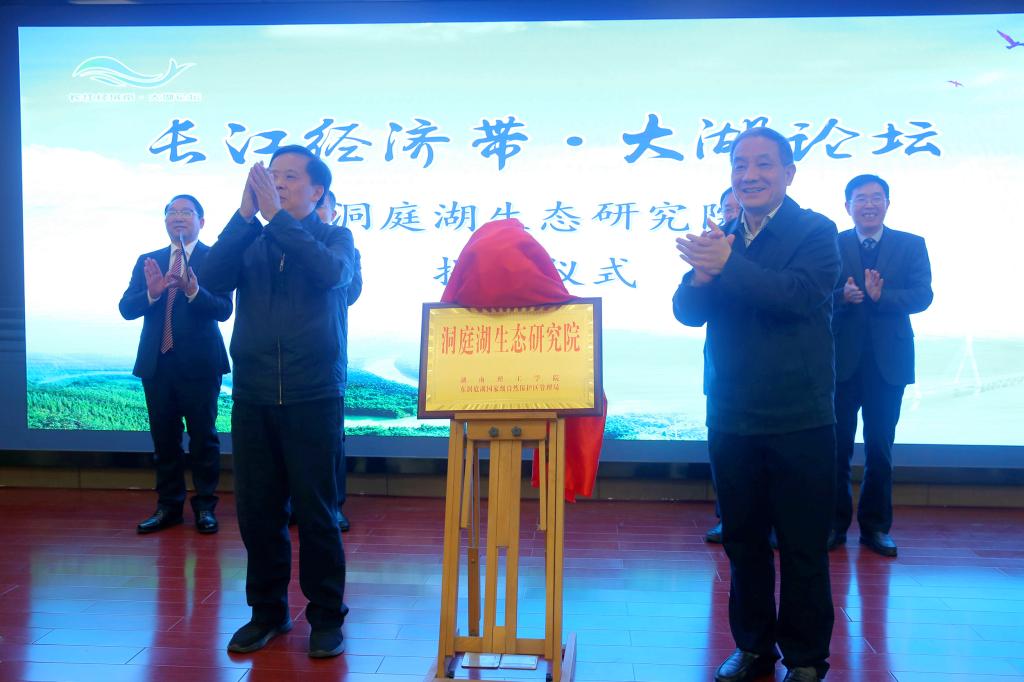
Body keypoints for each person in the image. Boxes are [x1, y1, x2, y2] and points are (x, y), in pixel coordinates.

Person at [673, 127, 840, 682]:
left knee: (801, 544)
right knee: (743, 542)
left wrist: (727, 263)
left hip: (799, 416)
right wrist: (701, 277)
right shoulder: (723, 236)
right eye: (740, 165)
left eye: (764, 164)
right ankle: (753, 647)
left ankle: (807, 658)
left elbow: (796, 297)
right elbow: (687, 312)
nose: (750, 175)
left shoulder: (816, 231)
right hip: (731, 412)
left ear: (788, 173)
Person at [203, 145, 356, 658]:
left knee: (317, 514)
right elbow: (212, 278)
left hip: (315, 394)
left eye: (290, 176)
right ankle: (267, 613)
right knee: (258, 513)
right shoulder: (252, 238)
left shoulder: (335, 238)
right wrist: (245, 217)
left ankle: (326, 617)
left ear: (318, 190)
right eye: (272, 176)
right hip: (254, 394)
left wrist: (276, 218)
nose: (278, 183)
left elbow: (331, 274)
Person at [831, 174, 933, 558]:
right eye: (861, 198)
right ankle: (833, 525)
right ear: (848, 206)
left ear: (888, 203)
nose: (869, 205)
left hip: (888, 363)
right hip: (840, 362)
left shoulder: (911, 244)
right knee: (836, 447)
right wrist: (842, 296)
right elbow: (813, 293)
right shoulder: (832, 243)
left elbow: (923, 295)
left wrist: (882, 296)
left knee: (880, 448)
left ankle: (875, 528)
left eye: (876, 198)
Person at [119, 194, 232, 535]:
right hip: (157, 364)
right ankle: (168, 506)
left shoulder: (215, 258)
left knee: (203, 439)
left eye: (187, 212)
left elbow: (224, 309)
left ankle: (205, 507)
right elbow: (127, 308)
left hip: (200, 365)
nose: (179, 217)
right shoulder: (149, 260)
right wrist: (152, 293)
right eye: (173, 212)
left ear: (202, 221)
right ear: (165, 220)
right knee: (164, 440)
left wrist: (194, 291)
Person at [315, 190, 362, 533]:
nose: (316, 211)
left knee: (331, 439)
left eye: (322, 206)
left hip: (327, 354)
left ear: (333, 212)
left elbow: (352, 293)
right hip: (284, 363)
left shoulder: (344, 247)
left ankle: (333, 506)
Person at [705, 187, 741, 545]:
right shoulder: (710, 247)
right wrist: (700, 275)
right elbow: (689, 309)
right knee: (724, 452)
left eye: (737, 208)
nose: (732, 213)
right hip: (722, 368)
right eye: (727, 208)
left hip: (770, 379)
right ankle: (726, 517)